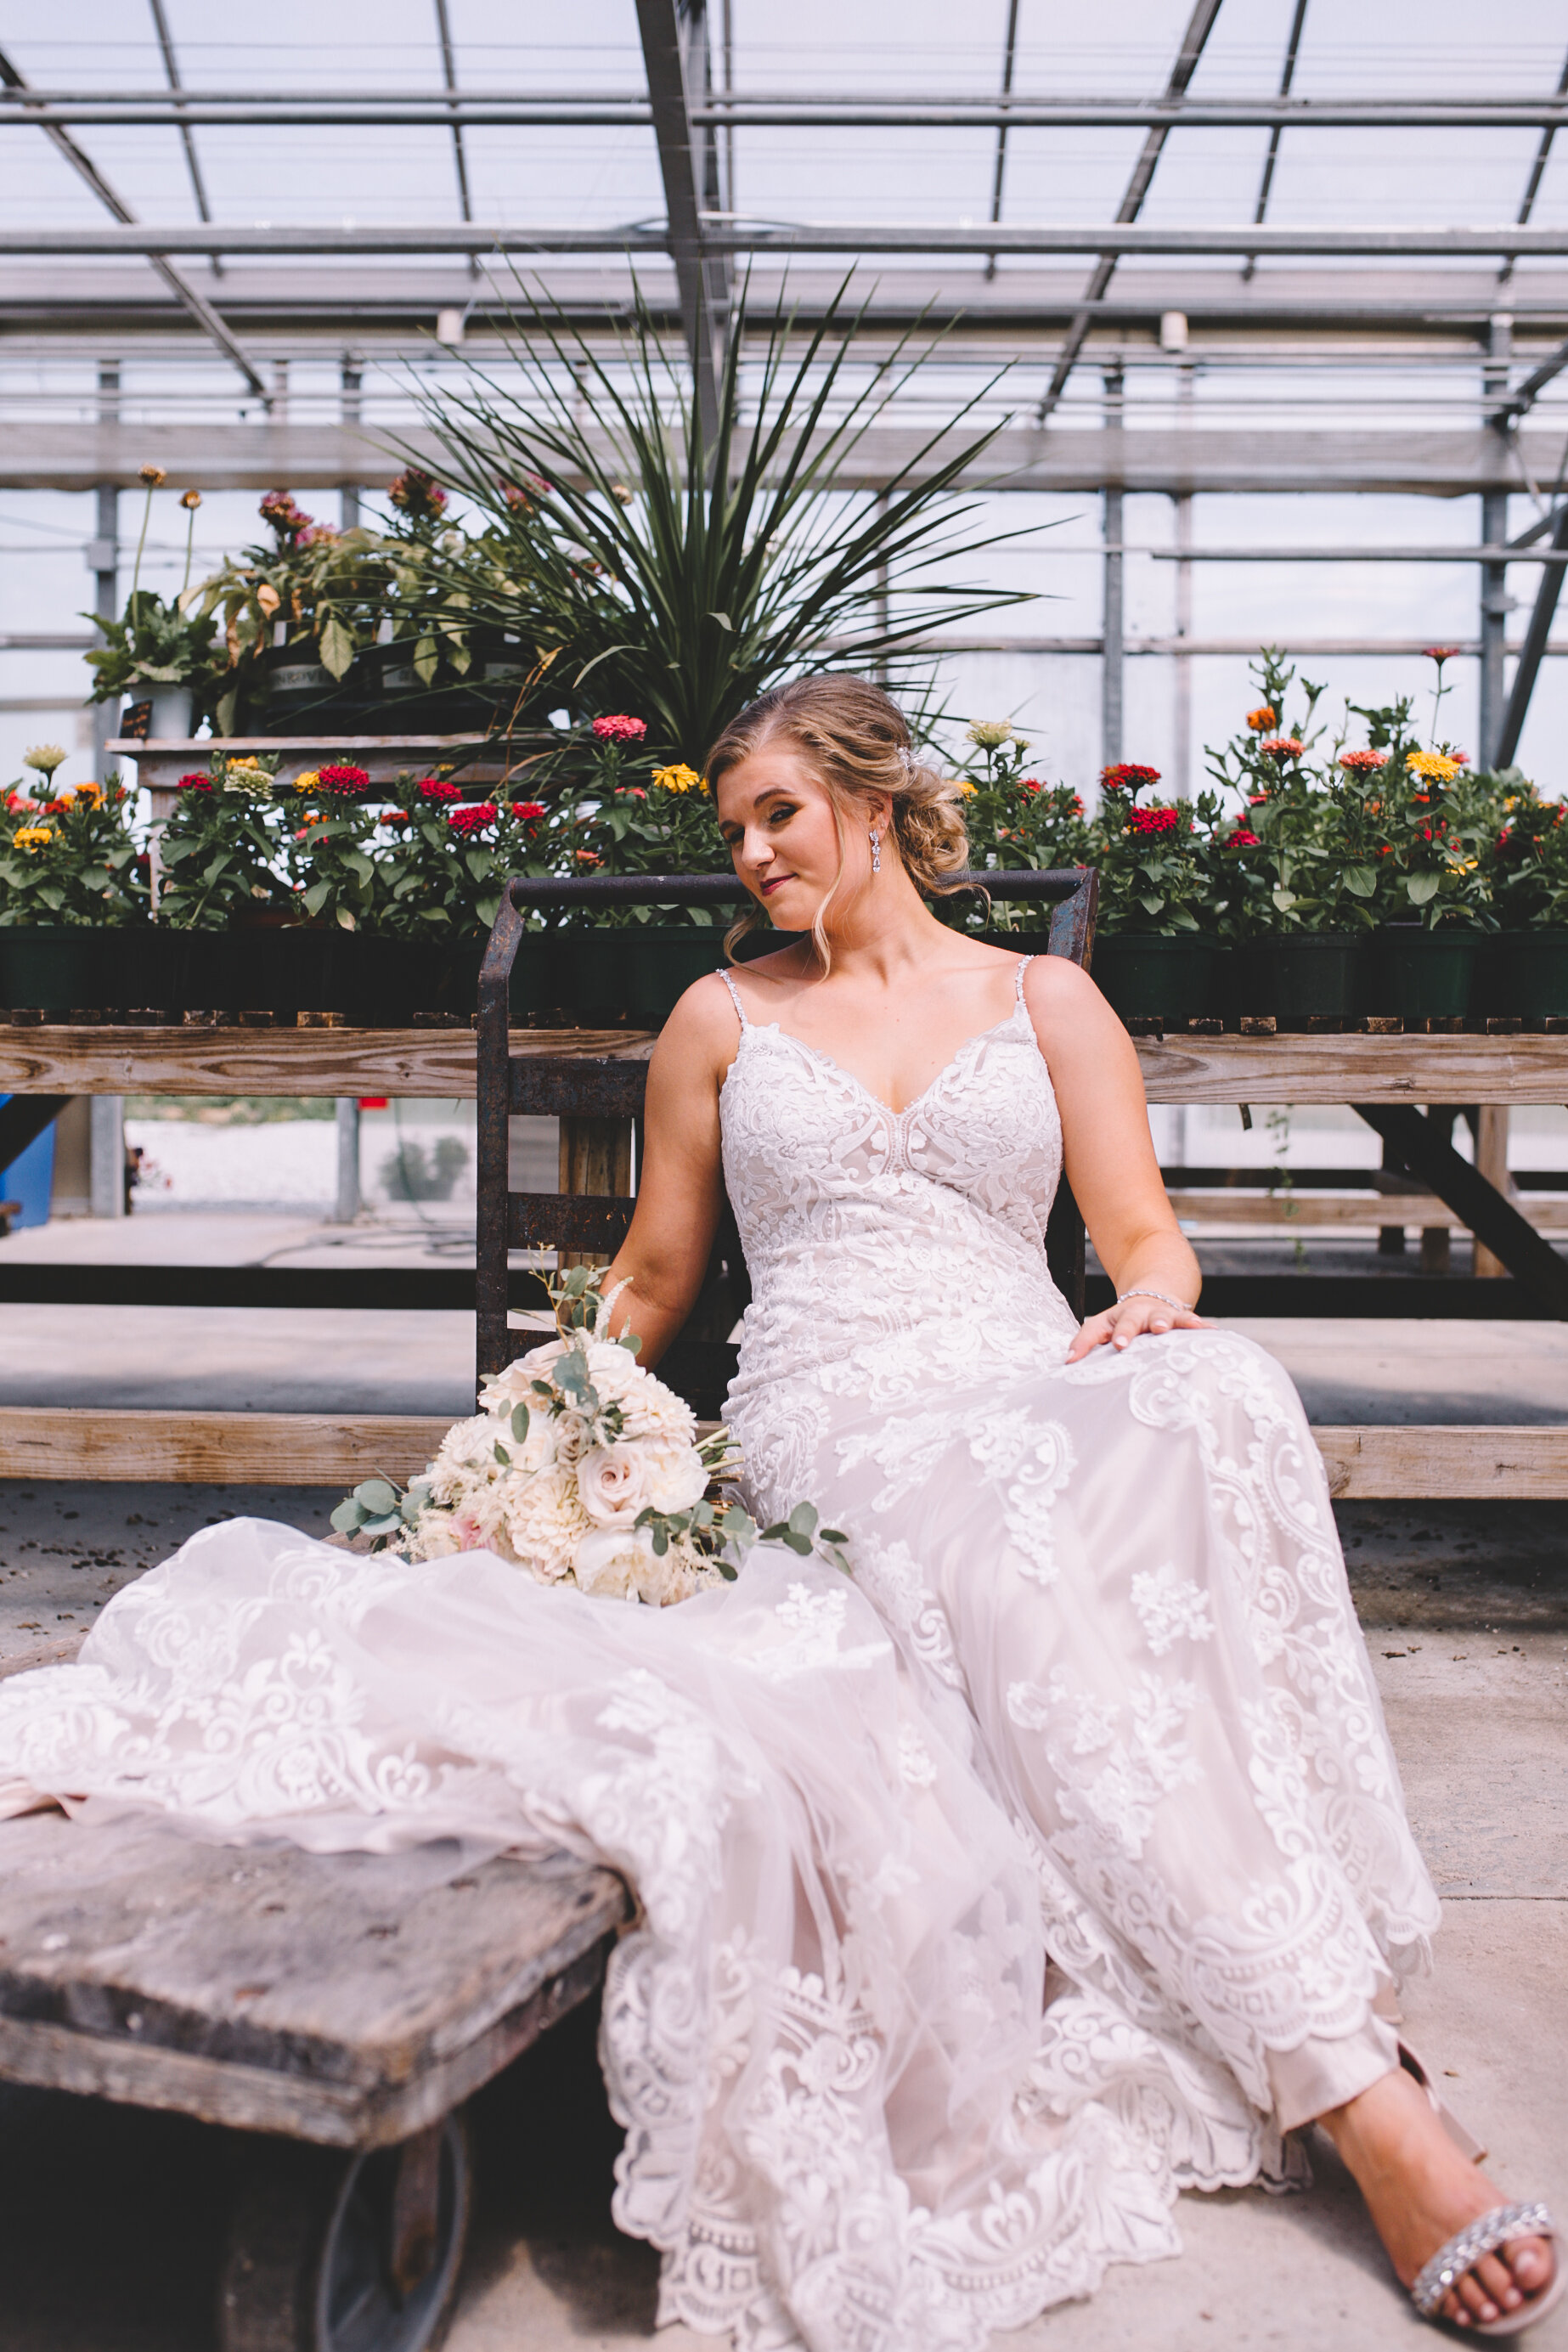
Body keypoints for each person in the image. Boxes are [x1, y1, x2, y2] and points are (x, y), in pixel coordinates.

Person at [0, 675, 1556, 2345]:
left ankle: (1297, 2005)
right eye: (730, 826)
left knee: (1217, 1390)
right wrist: (548, 1423)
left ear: (873, 804)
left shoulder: (1046, 998)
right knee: (1008, 1535)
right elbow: (659, 1273)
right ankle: (1353, 2088)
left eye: (777, 815)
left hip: (1021, 1380)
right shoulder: (715, 1018)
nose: (748, 852)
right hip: (838, 1422)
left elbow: (1142, 1234)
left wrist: (1150, 1306)